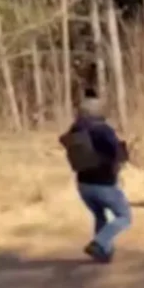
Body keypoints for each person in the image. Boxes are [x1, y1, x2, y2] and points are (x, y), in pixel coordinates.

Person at [58, 97, 132, 263]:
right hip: (103, 183)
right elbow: (115, 153)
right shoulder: (103, 130)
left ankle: (104, 253)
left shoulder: (75, 130)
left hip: (83, 184)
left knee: (100, 215)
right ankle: (99, 244)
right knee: (124, 217)